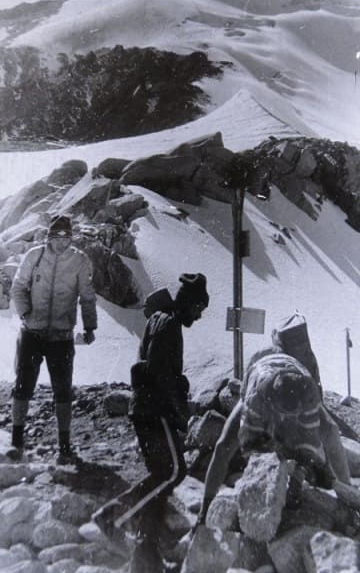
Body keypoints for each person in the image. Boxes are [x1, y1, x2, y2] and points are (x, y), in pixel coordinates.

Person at [93, 273, 209, 572]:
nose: (198, 317)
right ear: (190, 303)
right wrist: (179, 408)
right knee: (172, 472)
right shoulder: (170, 324)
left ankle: (146, 550)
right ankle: (114, 517)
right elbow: (160, 372)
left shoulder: (161, 318)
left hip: (146, 408)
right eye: (198, 309)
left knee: (163, 474)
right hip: (154, 410)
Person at [196, 343, 350, 527]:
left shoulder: (308, 396)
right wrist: (282, 462)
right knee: (224, 446)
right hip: (259, 371)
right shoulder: (256, 401)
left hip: (290, 367)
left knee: (330, 431)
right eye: (285, 417)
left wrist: (308, 470)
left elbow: (309, 446)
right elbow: (251, 449)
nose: (289, 422)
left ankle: (348, 501)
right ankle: (203, 512)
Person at [10, 214, 97, 464]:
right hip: (32, 333)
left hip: (62, 336)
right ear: (49, 237)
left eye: (67, 237)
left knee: (63, 391)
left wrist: (90, 326)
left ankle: (65, 446)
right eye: (57, 237)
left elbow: (87, 296)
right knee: (23, 385)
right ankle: (16, 442)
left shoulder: (80, 260)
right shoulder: (34, 256)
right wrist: (26, 313)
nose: (62, 242)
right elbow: (18, 287)